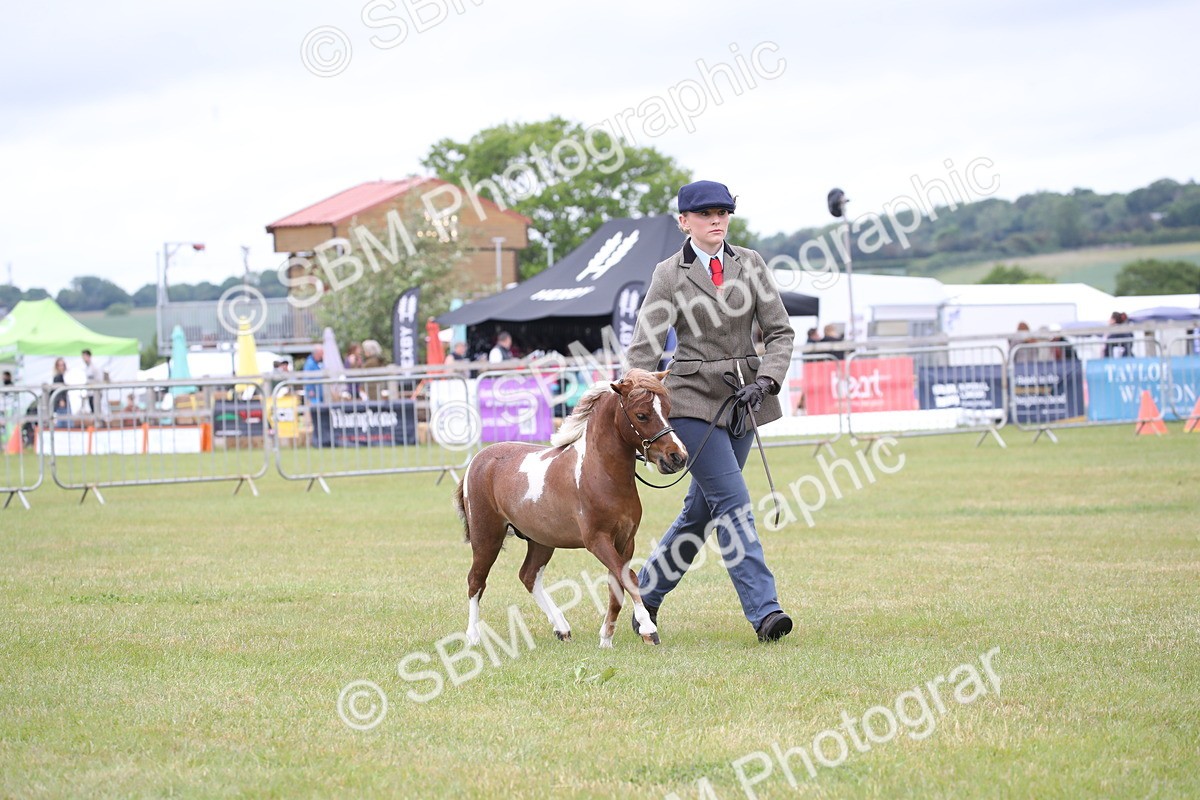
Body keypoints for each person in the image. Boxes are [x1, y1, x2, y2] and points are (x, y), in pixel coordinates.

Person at [626, 179, 795, 643]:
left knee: (702, 511)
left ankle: (647, 596)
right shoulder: (668, 274)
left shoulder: (751, 262)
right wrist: (640, 409)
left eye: (723, 211)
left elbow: (780, 333)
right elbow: (644, 352)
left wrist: (766, 382)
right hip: (689, 401)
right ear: (684, 222)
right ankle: (766, 612)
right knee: (734, 504)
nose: (716, 219)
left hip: (744, 399)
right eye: (705, 214)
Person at [81, 349, 105, 413]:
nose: (83, 358)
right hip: (90, 392)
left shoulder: (95, 367)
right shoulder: (86, 368)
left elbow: (99, 379)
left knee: (97, 410)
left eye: (85, 356)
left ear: (89, 356)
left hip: (96, 392)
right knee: (93, 410)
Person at [51, 357, 70, 427]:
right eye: (60, 365)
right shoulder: (58, 377)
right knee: (63, 422)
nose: (62, 367)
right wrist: (61, 400)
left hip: (63, 401)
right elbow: (58, 390)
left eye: (63, 365)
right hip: (61, 402)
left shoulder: (62, 376)